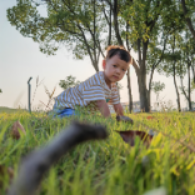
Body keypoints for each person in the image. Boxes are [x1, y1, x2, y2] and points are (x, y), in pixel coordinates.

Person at [52, 45, 133, 123]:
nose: (118, 71)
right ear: (104, 64)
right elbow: (101, 103)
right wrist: (110, 121)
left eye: (123, 69)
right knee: (78, 119)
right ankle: (56, 117)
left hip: (81, 110)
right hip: (67, 105)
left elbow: (117, 104)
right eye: (115, 66)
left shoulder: (114, 87)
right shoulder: (97, 81)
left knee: (92, 119)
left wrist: (122, 117)